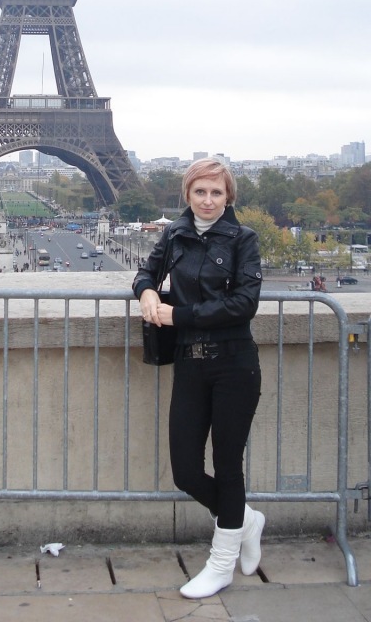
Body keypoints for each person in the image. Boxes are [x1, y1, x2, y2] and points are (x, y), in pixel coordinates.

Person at [132, 158, 264, 599]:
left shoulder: (244, 239)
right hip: (190, 363)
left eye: (216, 193)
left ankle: (221, 564)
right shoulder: (174, 233)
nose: (208, 201)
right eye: (200, 192)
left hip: (234, 364)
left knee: (227, 467)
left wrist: (179, 315)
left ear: (229, 197)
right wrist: (146, 291)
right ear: (187, 195)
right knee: (186, 471)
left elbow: (244, 303)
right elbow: (146, 272)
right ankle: (245, 520)